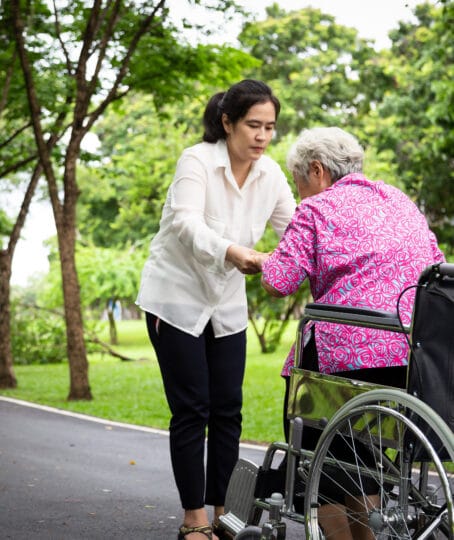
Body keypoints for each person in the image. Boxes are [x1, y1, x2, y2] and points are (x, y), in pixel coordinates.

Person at [261, 127, 445, 540]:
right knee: (360, 452)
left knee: (318, 452)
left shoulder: (317, 209)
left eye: (299, 184)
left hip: (343, 358)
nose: (301, 195)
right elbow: (436, 264)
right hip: (406, 359)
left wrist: (262, 260)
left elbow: (279, 281)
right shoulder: (399, 201)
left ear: (317, 170)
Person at [136, 80, 296, 540]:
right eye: (253, 125)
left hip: (226, 305)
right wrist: (233, 251)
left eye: (270, 127)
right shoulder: (197, 161)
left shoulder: (270, 176)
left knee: (228, 409)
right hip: (177, 299)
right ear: (227, 123)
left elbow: (296, 228)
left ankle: (227, 513)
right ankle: (194, 521)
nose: (263, 136)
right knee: (192, 409)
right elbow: (185, 222)